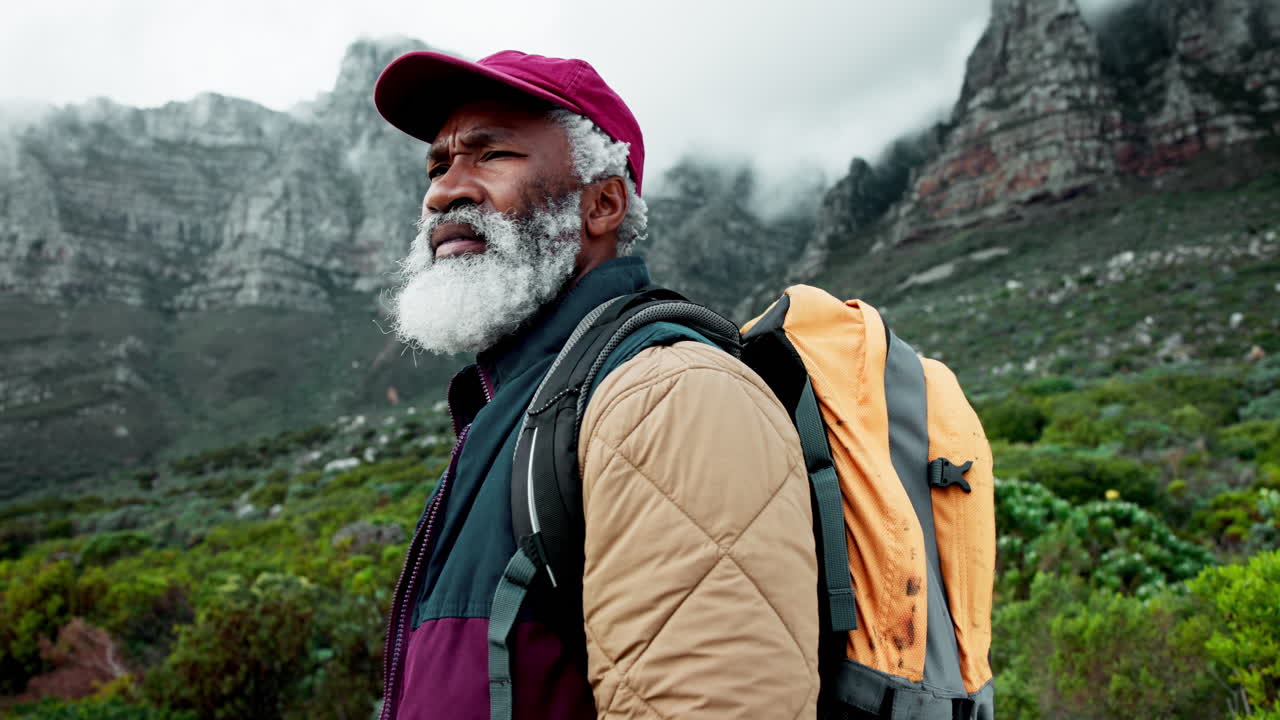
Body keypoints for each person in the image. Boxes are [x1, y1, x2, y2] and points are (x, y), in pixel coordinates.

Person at [373, 50, 819, 720]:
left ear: (603, 204)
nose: (444, 191)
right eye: (438, 165)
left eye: (490, 154)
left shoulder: (667, 396)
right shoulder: (521, 403)